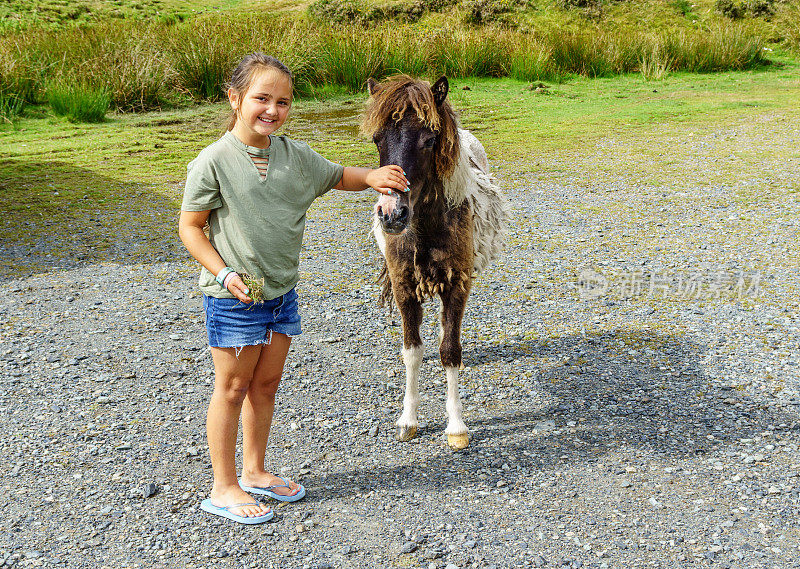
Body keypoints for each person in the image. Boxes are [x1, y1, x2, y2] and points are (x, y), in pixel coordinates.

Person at [178, 53, 409, 524]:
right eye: (261, 98)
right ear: (235, 97)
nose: (272, 110)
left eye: (282, 102)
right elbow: (191, 228)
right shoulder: (212, 162)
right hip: (234, 298)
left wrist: (373, 177)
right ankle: (223, 487)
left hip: (282, 294)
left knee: (265, 385)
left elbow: (337, 176)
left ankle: (255, 471)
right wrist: (223, 273)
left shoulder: (293, 156)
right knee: (232, 387)